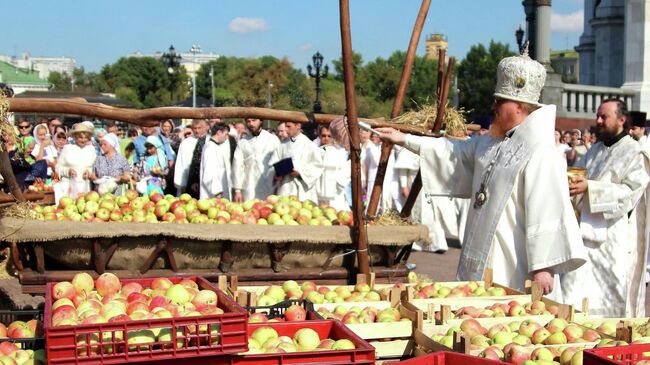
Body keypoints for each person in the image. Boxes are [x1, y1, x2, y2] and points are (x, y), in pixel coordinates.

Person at [376, 51, 585, 299]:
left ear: (519, 107)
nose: (493, 106)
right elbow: (453, 151)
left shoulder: (540, 150)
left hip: (514, 260)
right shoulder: (489, 142)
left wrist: (543, 266)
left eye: (500, 101)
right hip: (479, 254)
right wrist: (403, 139)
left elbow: (547, 208)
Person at [563, 99, 650, 317]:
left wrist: (589, 188)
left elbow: (630, 193)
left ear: (621, 120)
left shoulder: (634, 153)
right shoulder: (594, 152)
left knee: (606, 301)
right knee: (572, 294)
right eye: (597, 116)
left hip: (613, 240)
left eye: (604, 117)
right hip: (583, 238)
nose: (598, 121)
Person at [269, 121, 323, 202]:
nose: (286, 129)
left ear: (298, 126)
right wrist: (276, 173)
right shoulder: (282, 145)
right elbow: (272, 165)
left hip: (303, 190)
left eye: (289, 126)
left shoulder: (309, 145)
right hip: (285, 187)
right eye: (285, 126)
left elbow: (317, 166)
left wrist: (300, 174)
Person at [232, 118, 280, 202]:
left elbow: (279, 161)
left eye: (254, 121)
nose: (251, 124)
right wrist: (237, 190)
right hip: (248, 186)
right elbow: (237, 166)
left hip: (268, 185)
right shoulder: (242, 142)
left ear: (261, 121)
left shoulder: (272, 139)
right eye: (248, 121)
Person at [55, 123, 97, 201]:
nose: (83, 140)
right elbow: (57, 168)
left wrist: (89, 172)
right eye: (80, 137)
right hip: (68, 187)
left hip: (85, 187)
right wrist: (68, 171)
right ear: (75, 137)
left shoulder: (91, 149)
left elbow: (95, 168)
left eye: (86, 138)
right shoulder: (67, 148)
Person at [315, 125, 350, 211]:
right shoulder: (315, 152)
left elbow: (345, 172)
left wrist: (335, 179)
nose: (326, 138)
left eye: (329, 136)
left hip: (335, 192)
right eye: (323, 136)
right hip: (318, 192)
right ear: (319, 136)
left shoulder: (340, 153)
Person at [363, 133, 397, 214]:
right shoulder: (369, 147)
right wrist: (365, 180)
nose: (376, 137)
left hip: (388, 179)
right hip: (373, 179)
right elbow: (366, 164)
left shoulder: (392, 148)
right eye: (374, 135)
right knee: (372, 202)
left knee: (386, 202)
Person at [174, 119, 209, 197]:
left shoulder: (210, 142)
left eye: (199, 128)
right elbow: (181, 163)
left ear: (206, 127)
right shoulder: (186, 143)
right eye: (195, 128)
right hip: (188, 181)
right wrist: (181, 184)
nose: (197, 131)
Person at [200, 123, 233, 199]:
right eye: (226, 134)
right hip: (214, 196)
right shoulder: (210, 148)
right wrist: (217, 192)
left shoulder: (216, 147)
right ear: (219, 132)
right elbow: (209, 172)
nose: (227, 137)